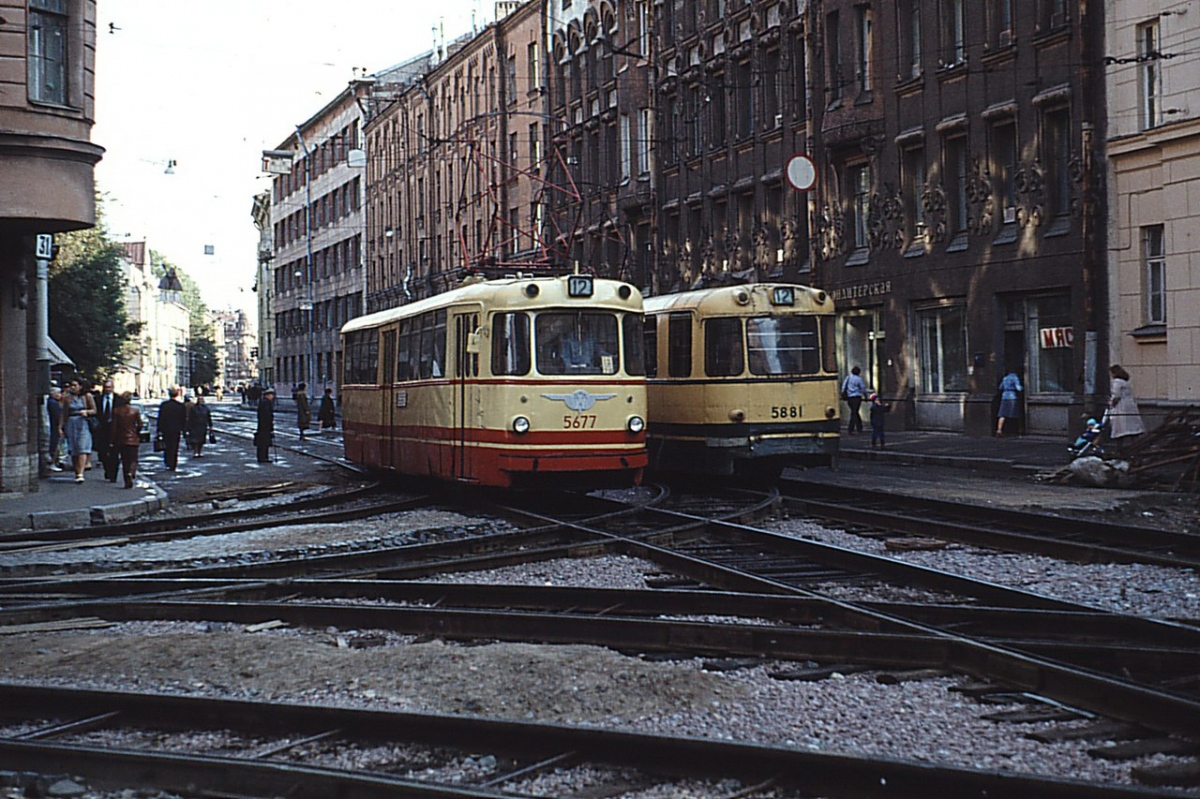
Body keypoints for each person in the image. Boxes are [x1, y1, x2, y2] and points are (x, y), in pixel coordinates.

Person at [59, 378, 97, 483]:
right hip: (71, 423)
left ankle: (81, 473)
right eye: (71, 385)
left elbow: (94, 410)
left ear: (80, 386)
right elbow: (64, 413)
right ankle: (77, 471)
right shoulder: (67, 398)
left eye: (75, 385)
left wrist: (87, 412)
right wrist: (60, 427)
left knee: (82, 447)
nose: (73, 387)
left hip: (83, 423)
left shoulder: (87, 396)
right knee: (74, 449)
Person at [1108, 365, 1146, 450]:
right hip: (1130, 406)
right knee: (1133, 428)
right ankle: (1136, 448)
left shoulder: (1117, 382)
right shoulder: (1125, 382)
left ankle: (1119, 449)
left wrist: (1111, 404)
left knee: (1119, 428)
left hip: (1121, 407)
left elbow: (1116, 396)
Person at [111, 391, 143, 489]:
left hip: (121, 439)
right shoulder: (135, 411)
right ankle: (131, 472)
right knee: (133, 459)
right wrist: (136, 432)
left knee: (125, 460)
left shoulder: (117, 411)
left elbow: (114, 427)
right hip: (133, 438)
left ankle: (127, 480)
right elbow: (140, 424)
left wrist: (112, 440)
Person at [93, 378, 119, 482]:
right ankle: (107, 470)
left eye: (109, 387)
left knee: (114, 453)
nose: (107, 389)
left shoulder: (118, 399)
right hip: (101, 430)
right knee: (103, 452)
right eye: (105, 387)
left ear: (113, 388)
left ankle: (113, 474)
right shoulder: (98, 399)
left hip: (115, 429)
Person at [156, 387, 187, 471]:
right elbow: (183, 419)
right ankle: (173, 463)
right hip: (176, 429)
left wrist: (159, 430)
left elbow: (161, 418)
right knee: (174, 447)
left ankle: (168, 462)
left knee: (167, 446)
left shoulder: (164, 405)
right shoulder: (180, 406)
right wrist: (184, 430)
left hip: (166, 429)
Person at [995, 369, 1023, 437]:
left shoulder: (1005, 378)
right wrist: (1023, 388)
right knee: (1015, 414)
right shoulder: (1015, 378)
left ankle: (999, 430)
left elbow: (1000, 387)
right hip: (1012, 397)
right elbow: (1018, 388)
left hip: (1004, 397)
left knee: (1002, 414)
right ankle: (1018, 430)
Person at [841, 366, 867, 435]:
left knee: (854, 412)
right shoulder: (859, 379)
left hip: (850, 397)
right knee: (854, 412)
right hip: (857, 397)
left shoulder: (848, 378)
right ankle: (854, 428)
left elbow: (843, 387)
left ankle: (856, 428)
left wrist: (843, 394)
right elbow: (863, 388)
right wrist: (865, 396)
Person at [46, 384, 64, 471]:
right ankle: (52, 463)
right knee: (55, 445)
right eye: (58, 393)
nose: (60, 395)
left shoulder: (52, 402)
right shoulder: (53, 403)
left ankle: (53, 462)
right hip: (54, 427)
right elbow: (58, 416)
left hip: (54, 426)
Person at [255, 387, 276, 463]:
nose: (272, 397)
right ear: (268, 395)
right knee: (265, 442)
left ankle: (261, 457)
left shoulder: (262, 402)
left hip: (261, 425)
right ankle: (264, 457)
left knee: (262, 443)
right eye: (271, 395)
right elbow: (268, 416)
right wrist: (271, 426)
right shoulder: (267, 403)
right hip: (265, 426)